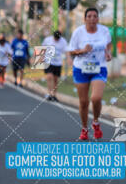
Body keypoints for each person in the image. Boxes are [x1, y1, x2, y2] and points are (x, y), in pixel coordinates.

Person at [68, 7, 112, 141]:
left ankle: (96, 122)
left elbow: (109, 44)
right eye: (89, 16)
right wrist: (82, 51)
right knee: (83, 102)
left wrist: (107, 53)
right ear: (85, 19)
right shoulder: (78, 32)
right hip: (81, 68)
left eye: (95, 16)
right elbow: (71, 52)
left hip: (99, 68)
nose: (92, 19)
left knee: (96, 98)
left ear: (98, 18)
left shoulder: (104, 31)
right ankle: (84, 128)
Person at [41, 30, 68, 102]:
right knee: (49, 77)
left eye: (58, 39)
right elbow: (42, 49)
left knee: (56, 79)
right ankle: (50, 93)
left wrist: (68, 59)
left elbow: (66, 51)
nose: (56, 40)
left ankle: (54, 95)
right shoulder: (48, 40)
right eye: (55, 38)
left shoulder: (63, 41)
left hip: (58, 63)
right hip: (49, 61)